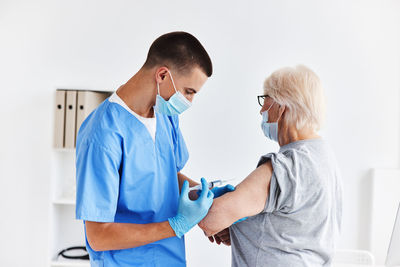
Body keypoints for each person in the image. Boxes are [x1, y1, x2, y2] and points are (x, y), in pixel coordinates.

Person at [75, 31, 222, 267]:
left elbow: (164, 176)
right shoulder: (102, 135)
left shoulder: (165, 114)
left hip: (168, 259)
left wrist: (207, 200)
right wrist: (176, 225)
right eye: (188, 92)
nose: (189, 102)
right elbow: (98, 236)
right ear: (163, 74)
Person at [198, 65, 343, 266]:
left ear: (281, 107)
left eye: (265, 99)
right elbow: (294, 229)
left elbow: (212, 218)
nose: (261, 110)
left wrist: (216, 210)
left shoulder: (287, 166)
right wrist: (242, 230)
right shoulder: (323, 156)